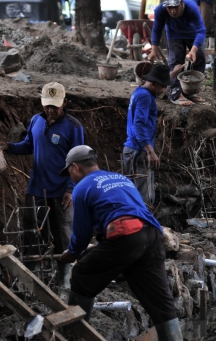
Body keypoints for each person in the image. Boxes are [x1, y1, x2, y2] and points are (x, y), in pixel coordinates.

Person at [58, 145, 182, 340]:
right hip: (151, 235)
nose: (70, 177)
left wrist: (72, 253)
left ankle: (74, 335)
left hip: (127, 235)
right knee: (160, 301)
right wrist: (99, 248)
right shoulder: (120, 178)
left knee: (82, 274)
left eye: (69, 172)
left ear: (75, 167)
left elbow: (82, 233)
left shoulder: (81, 187)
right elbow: (127, 212)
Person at [0, 82, 84, 288]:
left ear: (65, 103)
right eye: (47, 105)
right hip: (36, 188)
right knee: (31, 232)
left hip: (61, 190)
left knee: (63, 234)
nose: (50, 110)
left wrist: (71, 189)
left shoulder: (73, 127)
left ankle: (64, 277)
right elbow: (28, 145)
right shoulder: (36, 120)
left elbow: (79, 160)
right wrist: (8, 146)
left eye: (55, 106)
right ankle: (34, 275)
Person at [123, 63, 172, 207]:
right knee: (144, 197)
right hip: (138, 151)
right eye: (162, 86)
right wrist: (149, 150)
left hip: (133, 150)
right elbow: (139, 124)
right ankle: (143, 228)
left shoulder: (140, 92)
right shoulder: (145, 97)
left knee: (135, 194)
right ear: (154, 83)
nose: (163, 90)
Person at [149, 0, 206, 106]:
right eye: (169, 8)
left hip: (193, 33)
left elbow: (201, 31)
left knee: (199, 57)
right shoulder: (160, 10)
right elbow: (157, 29)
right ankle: (175, 92)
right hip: (174, 34)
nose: (173, 11)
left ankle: (190, 91)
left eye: (176, 7)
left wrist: (193, 51)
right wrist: (153, 50)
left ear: (182, 3)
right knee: (175, 62)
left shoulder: (191, 7)